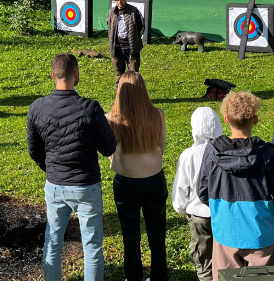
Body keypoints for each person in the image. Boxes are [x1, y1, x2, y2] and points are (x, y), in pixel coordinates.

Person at [27, 53, 116, 281]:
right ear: (76, 75)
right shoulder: (91, 108)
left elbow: (34, 151)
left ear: (52, 75)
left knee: (53, 242)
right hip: (86, 186)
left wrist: (51, 169)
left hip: (55, 184)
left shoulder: (37, 108)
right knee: (92, 246)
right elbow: (108, 148)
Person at [198, 92, 274, 280]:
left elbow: (202, 191)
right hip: (260, 229)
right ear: (255, 119)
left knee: (226, 276)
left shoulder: (212, 152)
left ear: (225, 118)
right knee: (263, 278)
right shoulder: (267, 154)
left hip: (225, 229)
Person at [106, 71, 168, 281]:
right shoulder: (157, 114)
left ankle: (133, 278)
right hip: (154, 180)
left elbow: (108, 151)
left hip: (125, 182)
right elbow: (162, 146)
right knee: (157, 235)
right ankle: (159, 277)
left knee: (130, 235)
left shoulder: (111, 119)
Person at [171, 107, 223, 281]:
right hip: (223, 212)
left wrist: (181, 207)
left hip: (198, 215)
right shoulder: (225, 153)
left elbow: (181, 186)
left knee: (203, 258)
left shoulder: (188, 155)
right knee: (225, 256)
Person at [106, 0, 144, 86]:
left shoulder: (134, 11)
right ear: (115, 1)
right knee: (119, 76)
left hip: (132, 49)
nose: (120, 2)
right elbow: (109, 27)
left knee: (134, 76)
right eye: (117, 0)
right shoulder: (111, 12)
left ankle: (134, 100)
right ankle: (120, 100)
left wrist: (135, 39)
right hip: (117, 49)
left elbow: (141, 26)